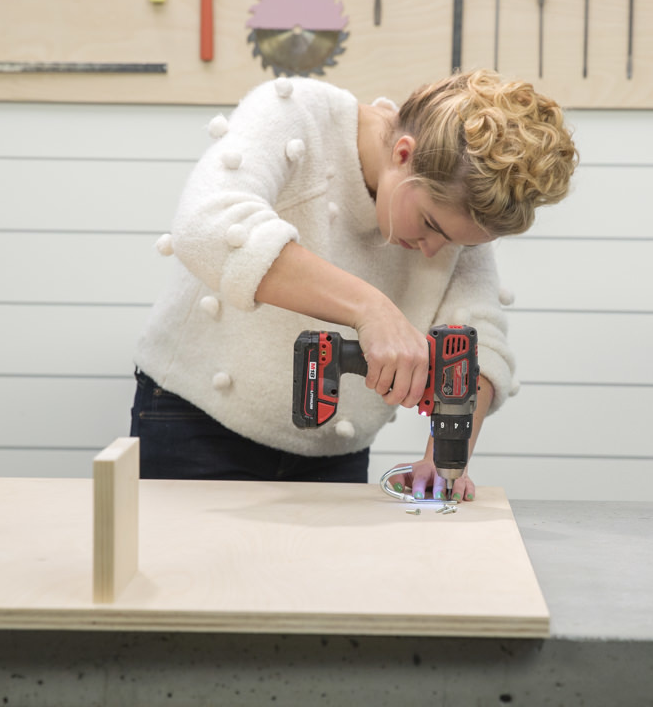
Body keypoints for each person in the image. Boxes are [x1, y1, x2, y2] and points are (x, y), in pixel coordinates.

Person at [131, 69, 577, 502]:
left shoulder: (457, 203)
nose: (431, 250)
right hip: (193, 427)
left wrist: (444, 461)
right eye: (428, 225)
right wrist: (371, 309)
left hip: (334, 454)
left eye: (453, 242)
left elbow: (479, 343)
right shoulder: (295, 113)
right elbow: (208, 226)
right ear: (404, 154)